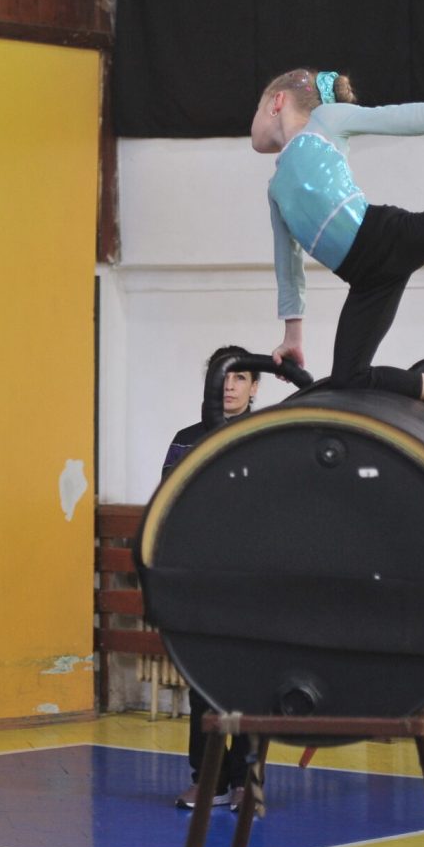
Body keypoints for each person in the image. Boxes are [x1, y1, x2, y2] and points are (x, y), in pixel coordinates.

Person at [255, 69, 424, 420]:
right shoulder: (275, 188)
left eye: (256, 108)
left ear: (277, 101)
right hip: (366, 282)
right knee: (348, 378)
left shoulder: (325, 121)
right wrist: (293, 336)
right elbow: (288, 266)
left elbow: (397, 118)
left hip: (387, 238)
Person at [162, 346, 260, 812]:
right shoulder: (186, 440)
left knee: (250, 686)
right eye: (223, 376)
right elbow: (169, 505)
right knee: (202, 687)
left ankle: (246, 781)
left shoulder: (268, 436)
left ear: (254, 386)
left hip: (253, 585)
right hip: (200, 584)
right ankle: (209, 780)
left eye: (240, 377)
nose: (229, 385)